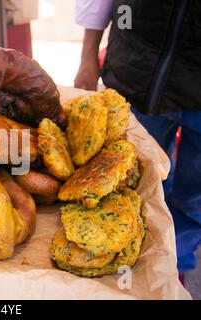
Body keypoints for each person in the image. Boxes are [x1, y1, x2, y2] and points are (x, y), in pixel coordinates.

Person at [74, 0, 201, 272]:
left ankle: (174, 265)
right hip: (135, 74)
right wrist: (88, 57)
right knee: (128, 181)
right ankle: (133, 259)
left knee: (195, 197)